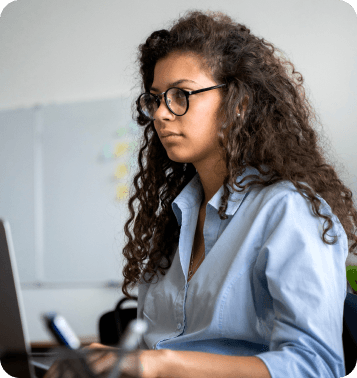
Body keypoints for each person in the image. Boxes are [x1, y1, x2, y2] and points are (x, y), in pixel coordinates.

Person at [45, 9, 357, 378]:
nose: (161, 113)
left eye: (181, 95)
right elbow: (154, 350)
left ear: (238, 104)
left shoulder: (289, 210)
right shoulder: (175, 219)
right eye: (156, 98)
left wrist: (163, 365)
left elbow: (316, 367)